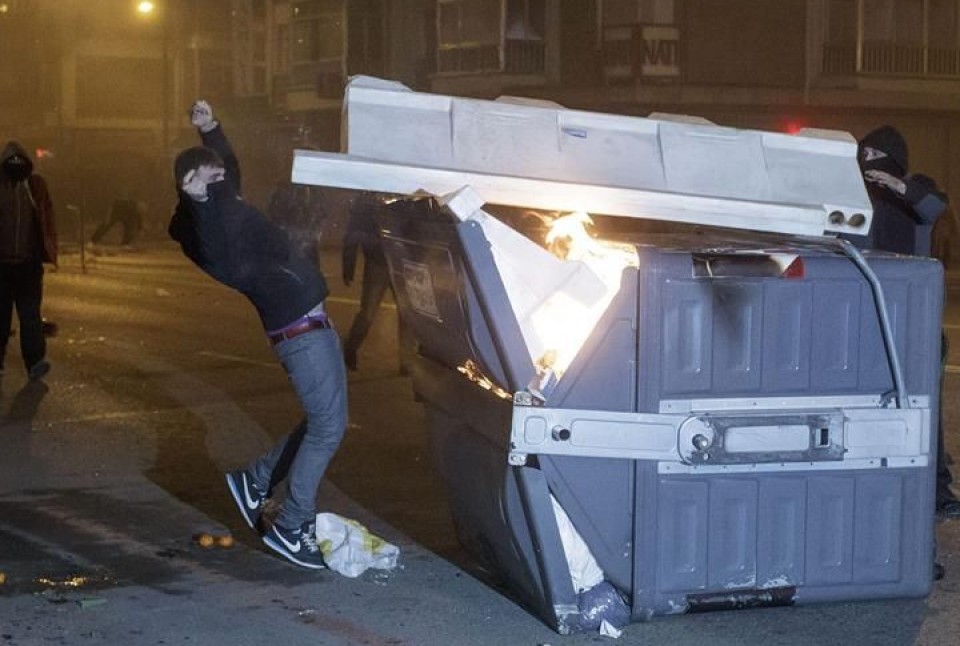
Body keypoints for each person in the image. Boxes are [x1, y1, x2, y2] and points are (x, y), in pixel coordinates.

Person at [169, 100, 347, 569]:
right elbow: (213, 243)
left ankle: (255, 480)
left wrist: (212, 130)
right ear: (194, 189)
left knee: (323, 420)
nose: (222, 178)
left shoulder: (226, 202)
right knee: (328, 427)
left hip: (308, 327)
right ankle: (292, 525)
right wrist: (198, 202)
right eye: (210, 178)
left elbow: (228, 166)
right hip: (300, 333)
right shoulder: (214, 237)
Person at [854, 125, 960, 520]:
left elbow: (934, 207)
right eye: (863, 157)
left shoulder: (915, 189)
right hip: (872, 317)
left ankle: (936, 491)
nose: (868, 166)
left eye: (875, 157)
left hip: (916, 321)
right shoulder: (856, 198)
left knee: (924, 412)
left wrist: (897, 186)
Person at [0, 141, 56, 380]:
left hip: (28, 265)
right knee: (0, 318)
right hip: (1, 266)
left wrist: (48, 251)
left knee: (30, 317)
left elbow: (47, 218)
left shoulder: (36, 185)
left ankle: (35, 361)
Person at [341, 191, 414, 373]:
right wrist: (348, 266)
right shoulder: (369, 201)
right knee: (369, 313)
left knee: (404, 315)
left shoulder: (400, 199)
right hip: (381, 263)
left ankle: (406, 362)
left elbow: (353, 234)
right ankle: (350, 350)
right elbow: (353, 233)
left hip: (394, 263)